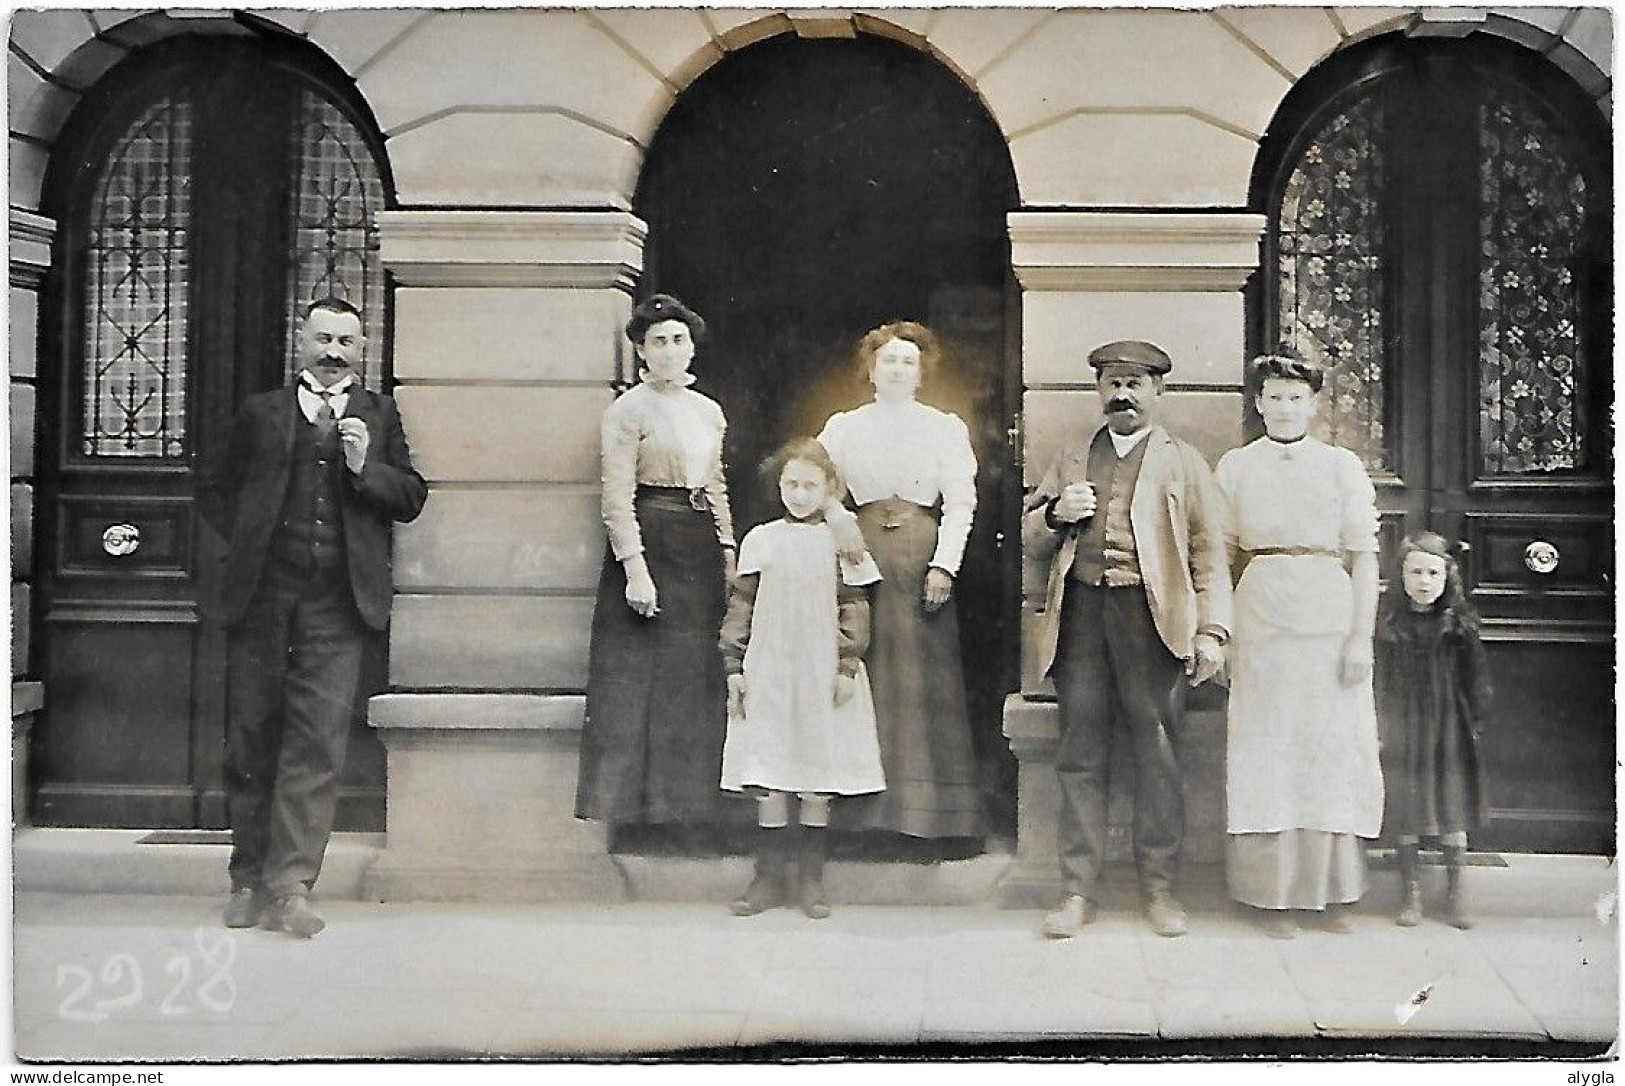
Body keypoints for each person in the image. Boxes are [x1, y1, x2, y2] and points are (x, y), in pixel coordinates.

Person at [199, 296, 427, 938]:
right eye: (323, 339)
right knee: (251, 739)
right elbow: (217, 491)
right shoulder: (262, 413)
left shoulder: (379, 414)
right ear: (301, 342)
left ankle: (291, 886)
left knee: (316, 746)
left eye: (346, 342)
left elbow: (410, 497)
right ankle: (247, 879)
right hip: (263, 603)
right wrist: (252, 548)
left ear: (361, 349)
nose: (333, 352)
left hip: (337, 606)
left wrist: (363, 469)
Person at [1023, 340, 1230, 940]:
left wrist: (1212, 631)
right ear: (1099, 391)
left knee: (1158, 754)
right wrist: (1056, 515)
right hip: (1082, 617)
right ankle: (1076, 891)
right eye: (1112, 383)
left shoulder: (1183, 461)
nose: (1123, 395)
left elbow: (1209, 552)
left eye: (1136, 383)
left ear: (1158, 391)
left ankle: (1160, 889)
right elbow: (1030, 538)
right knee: (1080, 752)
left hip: (1153, 621)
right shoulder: (1070, 456)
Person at [1215, 353, 1382, 939]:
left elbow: (1364, 559)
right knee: (1268, 748)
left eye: (1296, 397)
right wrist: (1221, 633)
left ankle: (1332, 892)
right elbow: (1217, 556)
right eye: (1274, 396)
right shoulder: (1235, 468)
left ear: (1314, 404)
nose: (1284, 407)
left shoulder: (1341, 468)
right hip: (1260, 613)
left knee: (1330, 748)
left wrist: (1360, 638)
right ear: (1259, 403)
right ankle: (1271, 897)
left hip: (1328, 615)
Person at [575, 294, 736, 836]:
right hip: (651, 538)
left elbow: (715, 486)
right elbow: (616, 498)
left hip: (697, 548)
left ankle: (690, 812)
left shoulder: (708, 411)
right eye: (658, 342)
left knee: (693, 677)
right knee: (641, 681)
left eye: (678, 340)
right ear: (642, 352)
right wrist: (636, 571)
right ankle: (642, 817)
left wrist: (729, 553)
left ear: (692, 347)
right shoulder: (629, 411)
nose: (670, 351)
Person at [815, 322, 983, 841]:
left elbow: (960, 500)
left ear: (921, 373)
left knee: (921, 677)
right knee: (863, 667)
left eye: (908, 362)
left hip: (919, 555)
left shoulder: (943, 427)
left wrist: (945, 565)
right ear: (870, 369)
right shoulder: (844, 427)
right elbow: (810, 478)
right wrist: (838, 518)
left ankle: (926, 818)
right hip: (858, 551)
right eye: (888, 360)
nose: (898, 369)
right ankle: (860, 820)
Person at [719, 439, 885, 919]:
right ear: (779, 486)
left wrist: (846, 666)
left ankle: (811, 878)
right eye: (790, 484)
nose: (799, 493)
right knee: (770, 770)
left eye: (810, 485)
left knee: (816, 772)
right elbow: (741, 607)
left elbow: (854, 606)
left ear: (828, 489)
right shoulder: (761, 539)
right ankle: (768, 877)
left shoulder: (842, 542)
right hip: (770, 668)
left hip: (820, 670)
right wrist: (735, 666)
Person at [1376, 532, 1493, 930]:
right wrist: (1382, 724)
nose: (1423, 581)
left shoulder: (1458, 625)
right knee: (1408, 806)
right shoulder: (1391, 626)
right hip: (1406, 724)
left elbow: (1476, 677)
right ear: (1401, 576)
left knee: (1451, 804)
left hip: (1448, 725)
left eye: (1432, 573)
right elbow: (1382, 682)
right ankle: (1410, 893)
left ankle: (1456, 892)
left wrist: (1475, 719)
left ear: (1447, 578)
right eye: (1415, 572)